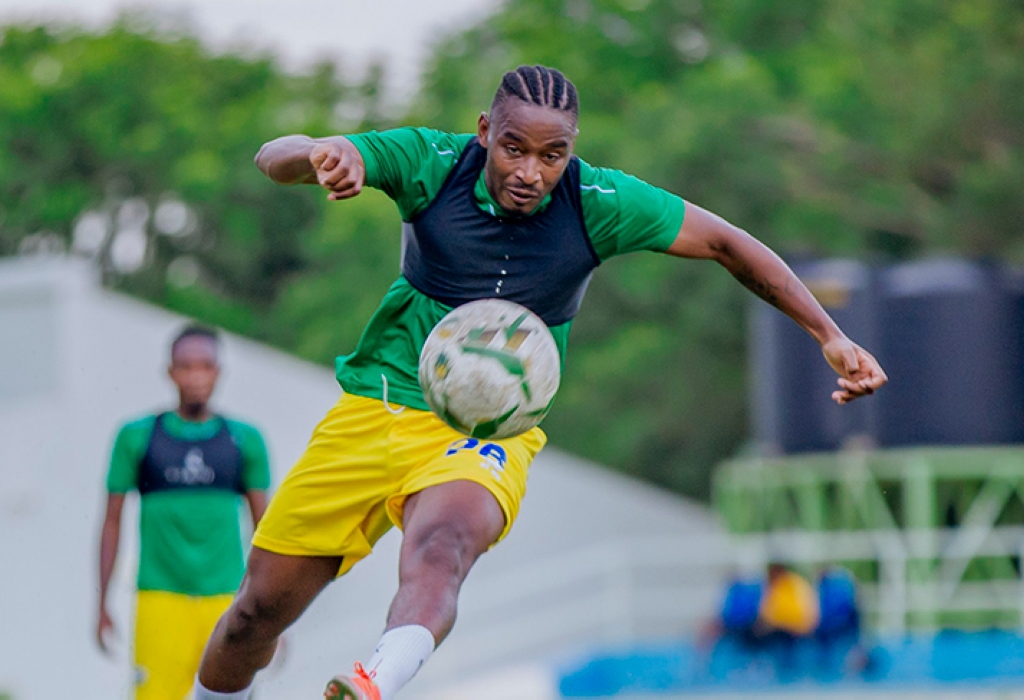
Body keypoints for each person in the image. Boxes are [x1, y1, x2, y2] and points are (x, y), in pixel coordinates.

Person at [193, 65, 888, 700]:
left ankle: (375, 680)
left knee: (442, 548)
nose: (531, 171)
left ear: (571, 151)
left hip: (486, 432)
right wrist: (323, 153)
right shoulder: (429, 162)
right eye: (514, 149)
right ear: (484, 133)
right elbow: (274, 156)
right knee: (256, 615)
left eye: (552, 155)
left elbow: (728, 244)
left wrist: (828, 333)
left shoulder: (598, 202)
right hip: (372, 409)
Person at [97, 325, 272, 700]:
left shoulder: (243, 440)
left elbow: (268, 530)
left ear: (218, 372)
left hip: (227, 599)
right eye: (186, 366)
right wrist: (102, 602)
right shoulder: (138, 436)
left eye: (205, 366)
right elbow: (111, 523)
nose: (196, 376)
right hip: (160, 599)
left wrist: (271, 611)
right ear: (170, 372)